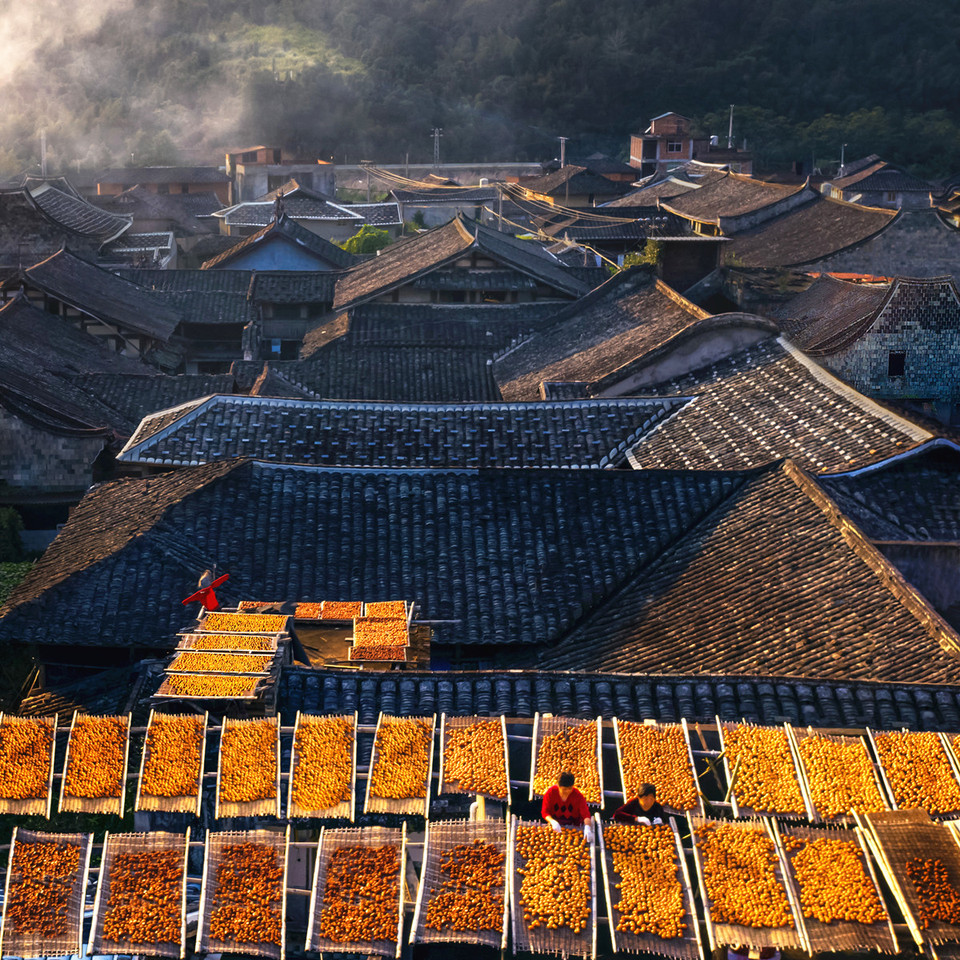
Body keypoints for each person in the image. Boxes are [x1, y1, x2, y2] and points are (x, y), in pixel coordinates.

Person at [541, 771, 593, 840]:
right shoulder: (551, 793)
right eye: (564, 789)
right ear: (558, 786)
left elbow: (586, 815)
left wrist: (587, 827)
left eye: (570, 788)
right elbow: (545, 812)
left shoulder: (577, 795)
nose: (568, 791)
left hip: (573, 828)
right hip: (555, 828)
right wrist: (552, 822)